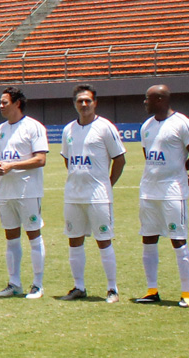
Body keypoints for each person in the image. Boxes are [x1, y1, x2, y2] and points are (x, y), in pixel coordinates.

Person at [135, 84, 189, 308]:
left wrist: (180, 171)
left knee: (178, 239)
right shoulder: (146, 126)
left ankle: (187, 293)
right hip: (149, 191)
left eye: (147, 99)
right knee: (148, 238)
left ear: (159, 99)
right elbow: (148, 156)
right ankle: (152, 290)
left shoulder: (182, 123)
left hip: (172, 191)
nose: (144, 102)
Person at [57, 84, 128, 302]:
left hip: (98, 195)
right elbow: (67, 159)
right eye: (80, 101)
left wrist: (108, 184)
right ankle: (79, 287)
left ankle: (112, 289)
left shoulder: (106, 127)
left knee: (103, 240)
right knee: (74, 240)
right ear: (74, 104)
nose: (84, 104)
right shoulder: (68, 130)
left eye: (88, 100)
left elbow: (120, 159)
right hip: (73, 195)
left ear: (95, 102)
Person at [0, 87, 50, 298]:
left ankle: (37, 284)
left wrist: (12, 165)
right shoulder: (0, 129)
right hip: (6, 192)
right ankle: (14, 283)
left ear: (17, 103)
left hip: (28, 191)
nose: (0, 106)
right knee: (11, 239)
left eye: (4, 102)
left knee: (33, 236)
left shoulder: (34, 127)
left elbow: (40, 159)